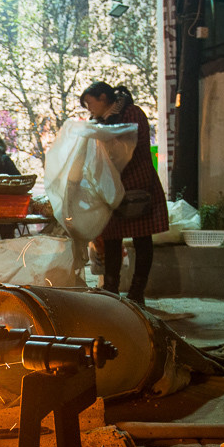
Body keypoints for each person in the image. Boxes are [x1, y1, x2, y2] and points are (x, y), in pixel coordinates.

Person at [80, 81, 169, 305]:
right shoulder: (97, 122)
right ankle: (111, 290)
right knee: (111, 239)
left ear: (103, 98)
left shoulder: (132, 112)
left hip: (138, 183)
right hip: (111, 188)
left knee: (142, 239)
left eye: (90, 104)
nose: (89, 110)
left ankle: (137, 292)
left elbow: (126, 146)